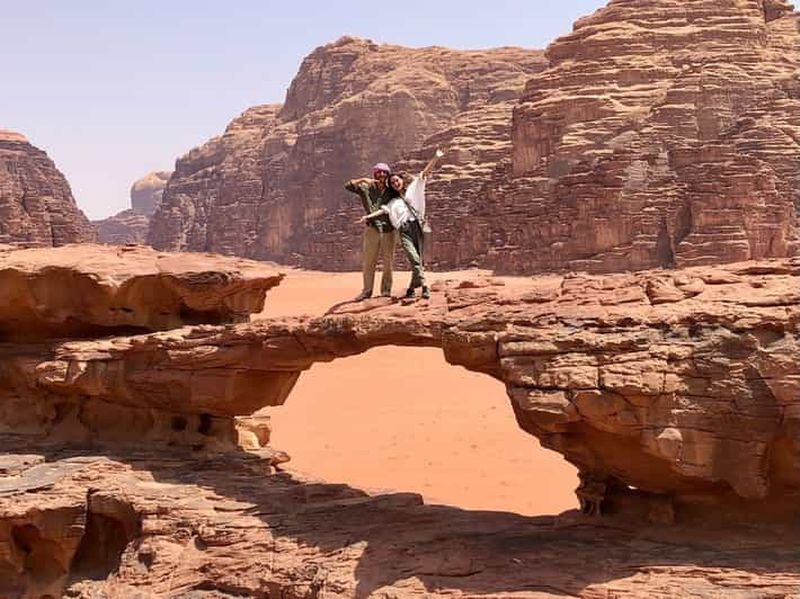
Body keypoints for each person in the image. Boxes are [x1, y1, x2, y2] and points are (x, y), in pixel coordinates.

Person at [358, 149, 443, 299]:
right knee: (414, 259)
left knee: (418, 260)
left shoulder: (414, 188)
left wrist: (436, 157)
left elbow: (426, 172)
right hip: (404, 231)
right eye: (392, 183)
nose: (395, 183)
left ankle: (411, 288)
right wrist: (367, 217)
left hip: (417, 227)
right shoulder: (393, 202)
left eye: (397, 180)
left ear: (402, 180)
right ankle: (424, 287)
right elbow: (382, 211)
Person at [344, 162, 399, 301]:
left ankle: (386, 291)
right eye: (378, 172)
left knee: (388, 262)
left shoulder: (392, 190)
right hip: (372, 228)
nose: (381, 175)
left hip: (389, 228)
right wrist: (363, 179)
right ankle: (366, 291)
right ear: (374, 174)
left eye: (384, 172)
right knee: (369, 261)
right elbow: (348, 186)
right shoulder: (366, 188)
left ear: (388, 174)